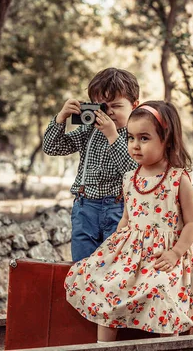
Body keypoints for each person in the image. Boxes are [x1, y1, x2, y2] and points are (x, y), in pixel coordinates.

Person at [64, 100, 193, 342]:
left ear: (166, 139)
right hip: (130, 253)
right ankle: (104, 345)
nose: (135, 145)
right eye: (131, 138)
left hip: (164, 256)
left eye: (144, 138)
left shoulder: (178, 179)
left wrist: (175, 253)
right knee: (107, 285)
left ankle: (167, 342)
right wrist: (111, 251)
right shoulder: (129, 178)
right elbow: (126, 218)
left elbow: (192, 223)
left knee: (160, 288)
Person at [43, 68, 140, 262]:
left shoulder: (136, 135)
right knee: (82, 264)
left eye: (116, 106)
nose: (109, 113)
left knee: (115, 266)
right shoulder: (89, 130)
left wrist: (112, 135)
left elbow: (133, 171)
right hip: (85, 207)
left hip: (119, 209)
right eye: (102, 107)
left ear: (134, 106)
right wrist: (61, 118)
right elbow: (52, 147)